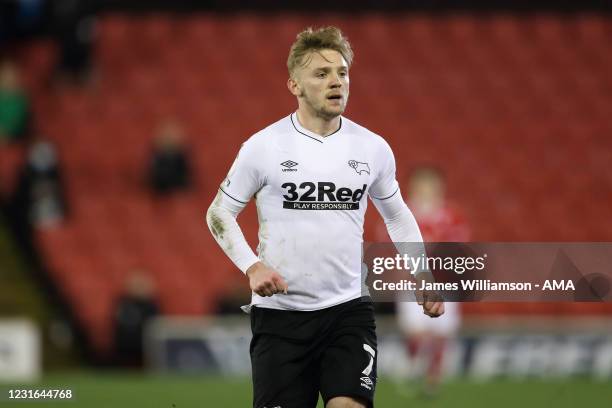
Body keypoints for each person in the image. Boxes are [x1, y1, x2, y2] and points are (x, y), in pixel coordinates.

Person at [206, 27, 443, 408]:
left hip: (348, 311)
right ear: (294, 85)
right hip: (281, 318)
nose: (336, 82)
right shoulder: (263, 147)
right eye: (321, 74)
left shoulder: (373, 148)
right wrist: (252, 267)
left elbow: (397, 215)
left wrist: (421, 273)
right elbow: (219, 212)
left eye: (342, 72)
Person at [380, 166, 470, 397]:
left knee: (441, 333)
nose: (427, 189)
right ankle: (415, 369)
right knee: (415, 332)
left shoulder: (452, 215)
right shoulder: (402, 212)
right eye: (422, 184)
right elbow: (387, 243)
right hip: (411, 283)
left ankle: (433, 381)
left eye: (431, 184)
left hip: (443, 283)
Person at [148, 119, 192, 195]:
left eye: (172, 136)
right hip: (160, 194)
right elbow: (152, 180)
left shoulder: (182, 158)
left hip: (178, 193)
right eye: (167, 136)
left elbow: (187, 181)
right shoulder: (155, 157)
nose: (169, 139)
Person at [0, 60, 30, 143]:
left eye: (12, 76)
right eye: (5, 75)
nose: (8, 79)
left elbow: (16, 126)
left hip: (12, 141)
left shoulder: (20, 101)